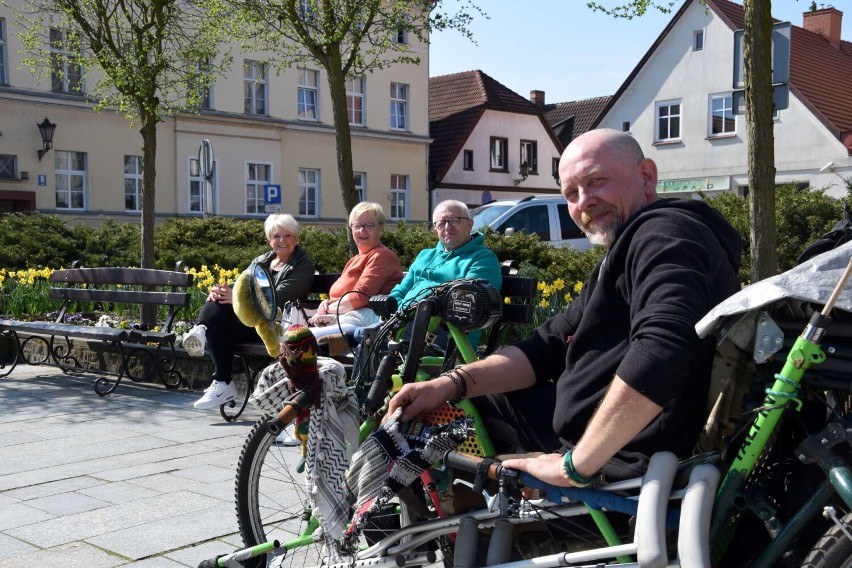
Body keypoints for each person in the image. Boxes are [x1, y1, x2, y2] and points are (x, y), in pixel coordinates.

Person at [388, 128, 742, 485]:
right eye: (571, 193)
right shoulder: (630, 246)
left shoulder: (664, 234)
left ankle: (443, 528)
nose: (584, 201)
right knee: (447, 406)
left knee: (425, 438)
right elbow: (548, 345)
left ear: (646, 176)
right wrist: (452, 383)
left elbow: (665, 346)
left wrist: (574, 466)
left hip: (619, 462)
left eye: (597, 181)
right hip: (582, 434)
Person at [187, 213, 315, 410]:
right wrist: (221, 293)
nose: (282, 241)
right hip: (255, 322)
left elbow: (276, 300)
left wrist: (235, 299)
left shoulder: (302, 264)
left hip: (278, 325)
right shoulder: (262, 260)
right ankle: (205, 340)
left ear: (296, 237)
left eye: (287, 236)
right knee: (218, 304)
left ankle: (217, 370)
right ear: (268, 240)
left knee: (223, 312)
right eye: (276, 236)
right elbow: (242, 286)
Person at [382, 199, 502, 349]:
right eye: (442, 223)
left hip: (446, 336)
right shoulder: (425, 256)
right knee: (363, 340)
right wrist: (393, 308)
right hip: (403, 325)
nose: (447, 227)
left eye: (454, 221)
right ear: (435, 231)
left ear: (470, 224)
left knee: (369, 345)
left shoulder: (482, 258)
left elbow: (469, 303)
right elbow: (402, 289)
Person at [307, 202, 403, 341]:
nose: (362, 231)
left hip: (367, 323)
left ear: (380, 228)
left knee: (301, 341)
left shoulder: (381, 255)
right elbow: (344, 295)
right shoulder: (355, 260)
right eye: (357, 226)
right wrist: (327, 303)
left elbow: (360, 297)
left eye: (369, 225)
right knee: (295, 339)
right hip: (346, 318)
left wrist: (328, 309)